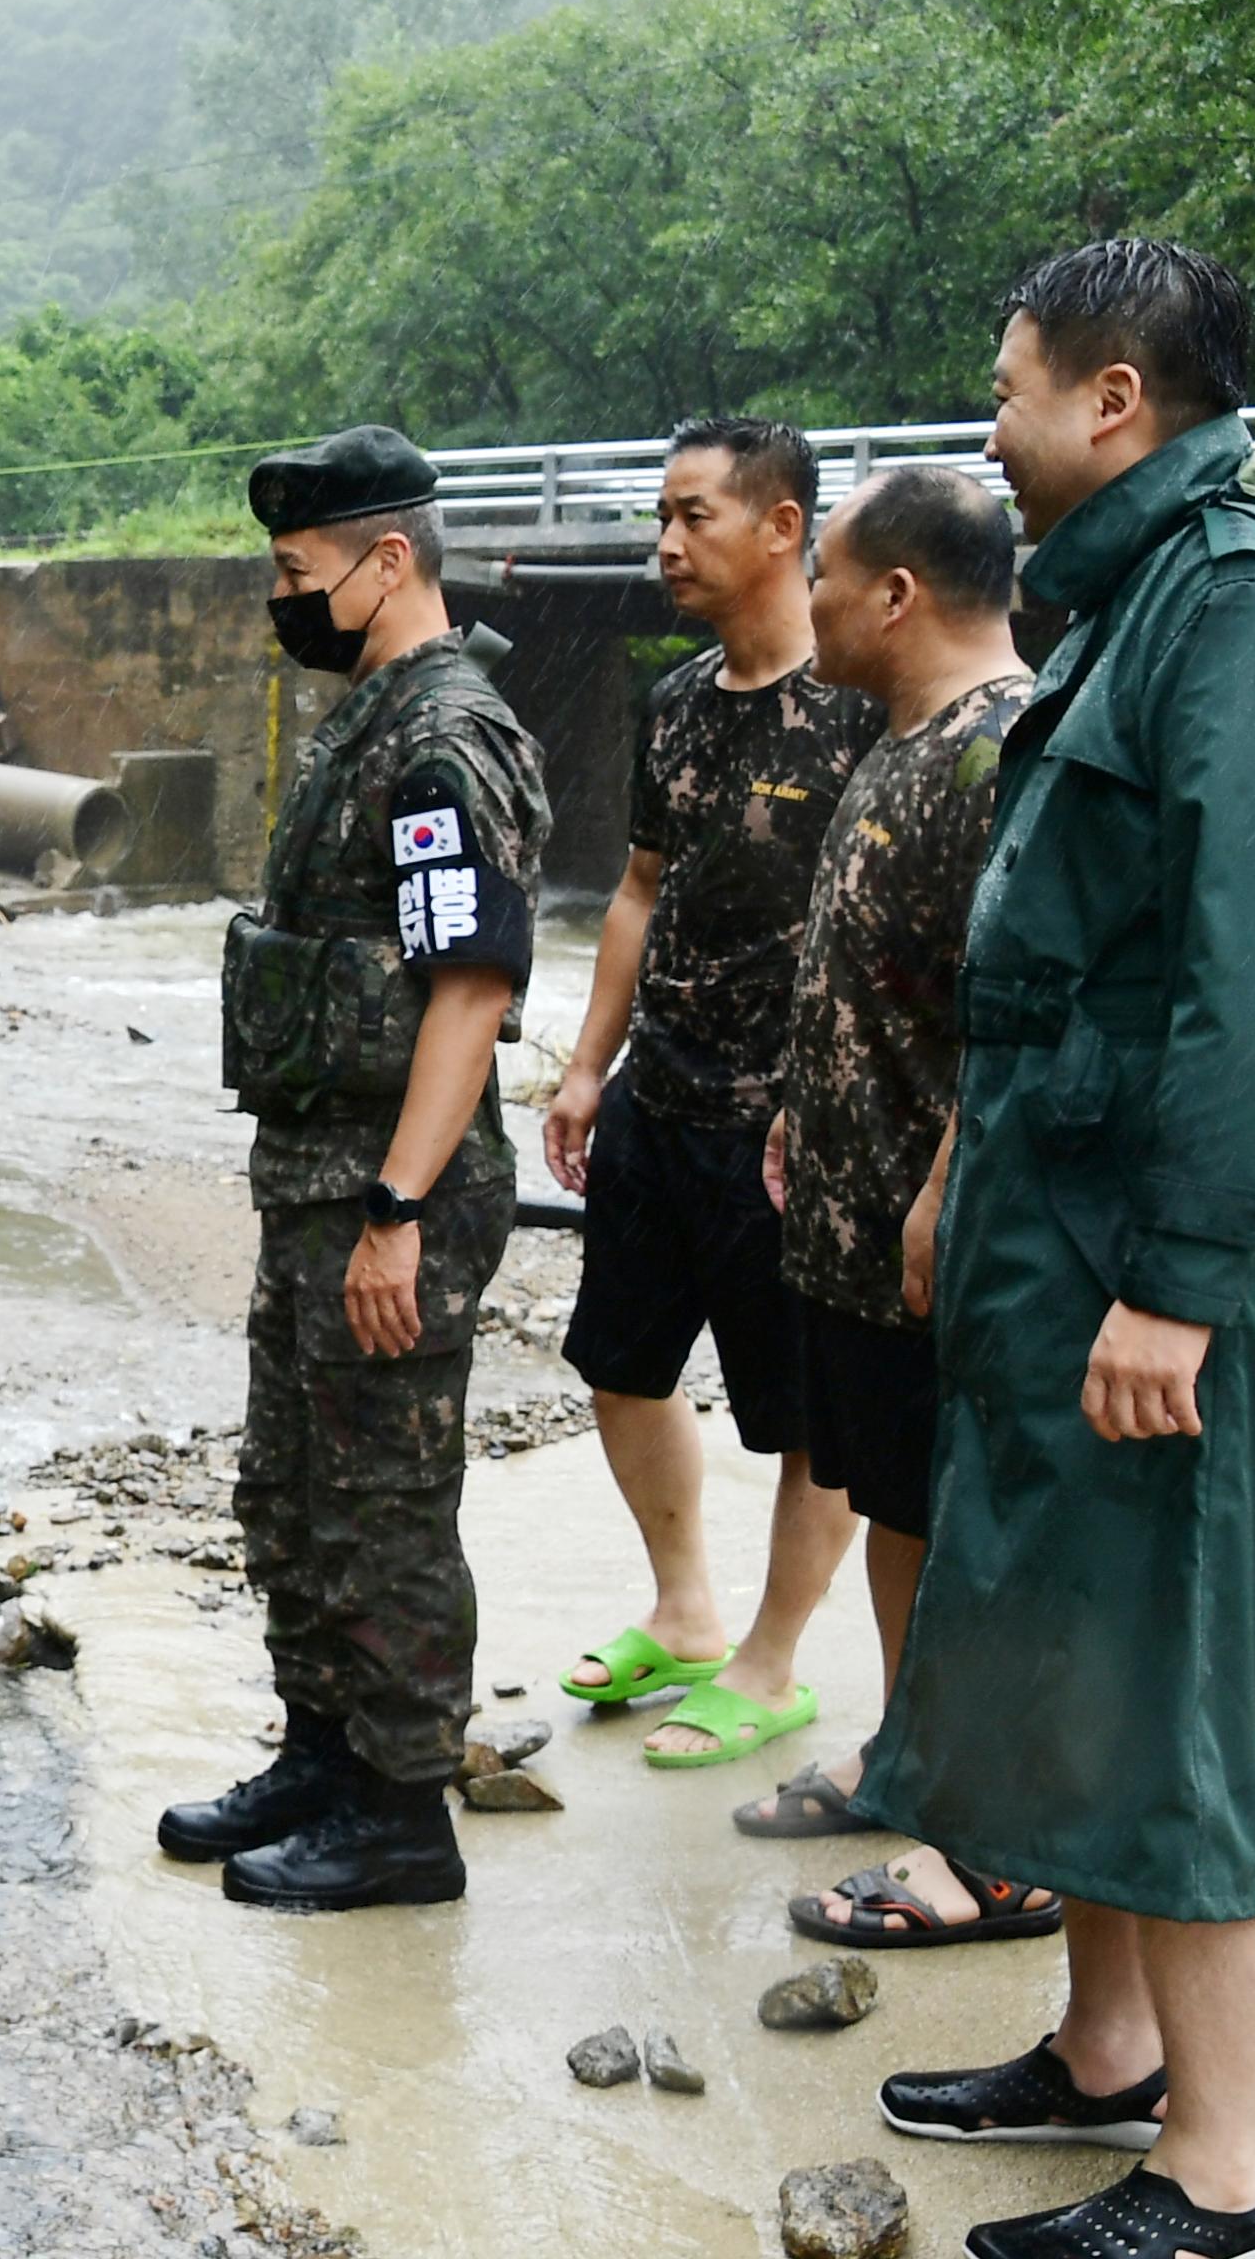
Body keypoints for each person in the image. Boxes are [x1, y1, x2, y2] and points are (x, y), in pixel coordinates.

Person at [856, 240, 1255, 2259]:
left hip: (1176, 1234)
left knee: (1199, 1667)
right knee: (1084, 1631)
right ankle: (1101, 2051)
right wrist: (959, 1188)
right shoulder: (1132, 598)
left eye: (1006, 389)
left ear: (1111, 400)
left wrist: (1177, 1275)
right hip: (1062, 1209)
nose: (984, 430)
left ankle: (1226, 2170)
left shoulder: (1253, 605)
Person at [156, 425, 549, 1913]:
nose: (286, 596)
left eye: (299, 571)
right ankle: (321, 1750)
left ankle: (400, 1811)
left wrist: (396, 1210)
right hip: (316, 1180)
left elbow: (468, 990)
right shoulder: (374, 714)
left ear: (391, 563)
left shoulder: (445, 737)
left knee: (384, 1498)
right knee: (301, 1486)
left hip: (388, 1190)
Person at [736, 469, 1057, 1955]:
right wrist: (810, 1106)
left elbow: (1014, 1015)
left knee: (969, 1531)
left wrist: (936, 1191)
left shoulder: (1003, 753)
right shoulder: (900, 741)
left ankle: (989, 1843)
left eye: (825, 578)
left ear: (894, 595)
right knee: (901, 1510)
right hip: (861, 1237)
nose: (805, 605)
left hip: (948, 1248)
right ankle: (910, 1756)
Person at [542, 419, 882, 1768]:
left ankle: (773, 1656)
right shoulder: (678, 700)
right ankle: (684, 1612)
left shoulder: (865, 704)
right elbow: (636, 889)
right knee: (618, 1365)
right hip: (661, 1094)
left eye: (695, 517)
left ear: (784, 526)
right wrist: (584, 1066)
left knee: (809, 1413)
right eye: (661, 518)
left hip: (795, 1127)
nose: (667, 545)